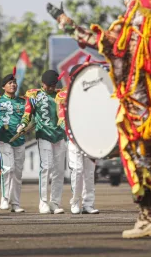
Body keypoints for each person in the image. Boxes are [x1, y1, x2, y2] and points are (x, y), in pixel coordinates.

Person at [47, 0, 151, 238]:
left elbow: (92, 39)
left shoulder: (127, 38)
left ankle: (147, 218)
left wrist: (63, 20)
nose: (126, 1)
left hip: (135, 118)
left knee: (138, 167)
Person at [20, 70, 67, 214]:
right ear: (42, 84)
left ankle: (55, 202)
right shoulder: (34, 96)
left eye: (53, 85)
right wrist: (22, 124)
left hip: (59, 134)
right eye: (49, 86)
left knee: (59, 170)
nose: (51, 88)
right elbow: (28, 112)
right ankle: (43, 202)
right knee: (46, 167)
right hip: (44, 134)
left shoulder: (60, 95)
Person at [57, 64, 99, 215]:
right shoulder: (64, 95)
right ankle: (75, 202)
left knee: (89, 172)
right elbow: (61, 117)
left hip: (90, 138)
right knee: (78, 170)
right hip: (74, 138)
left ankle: (89, 203)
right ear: (73, 77)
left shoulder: (93, 93)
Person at [0, 69, 26, 213]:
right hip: (4, 139)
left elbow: (28, 118)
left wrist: (24, 125)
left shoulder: (22, 101)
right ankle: (4, 198)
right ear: (4, 87)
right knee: (8, 168)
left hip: (19, 139)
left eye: (14, 82)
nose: (13, 85)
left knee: (18, 172)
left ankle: (15, 203)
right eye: (10, 83)